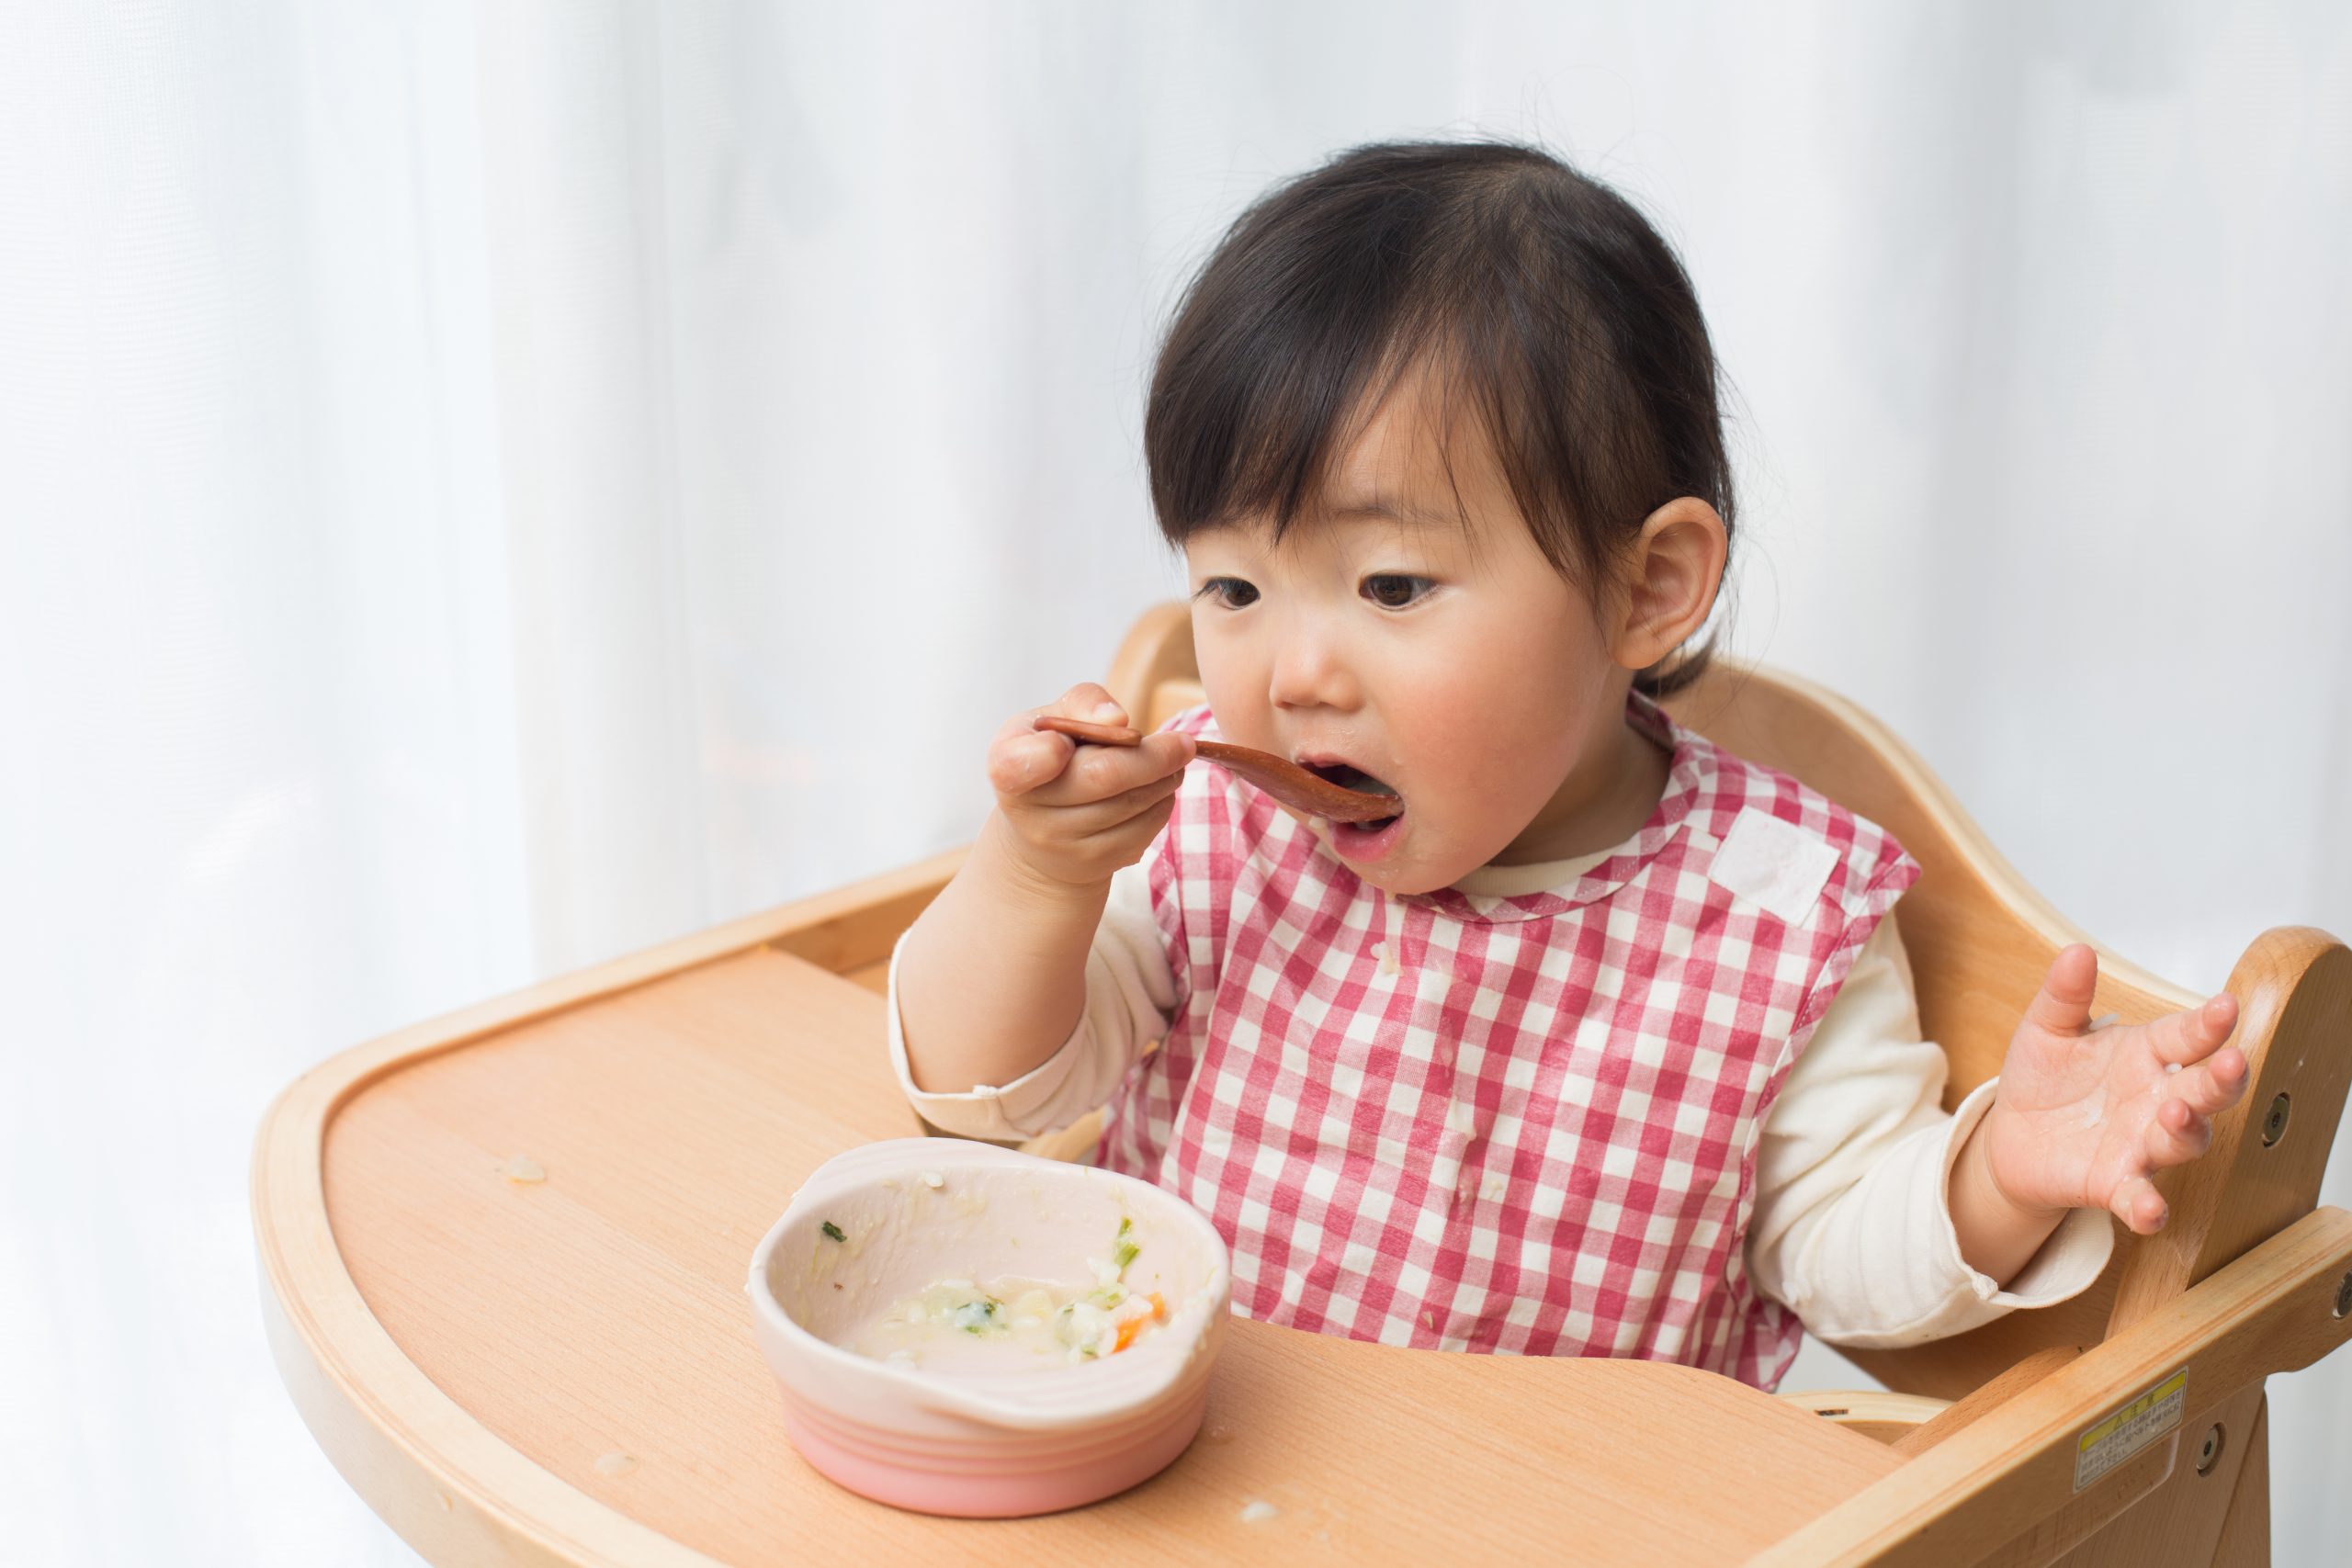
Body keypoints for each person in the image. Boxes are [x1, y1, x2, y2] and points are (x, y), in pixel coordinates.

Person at [887, 139, 2249, 1391]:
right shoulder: (1217, 826)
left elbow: (1842, 1244)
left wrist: (1998, 1176)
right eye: (1235, 587)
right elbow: (989, 1092)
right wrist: (1031, 883)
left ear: (1648, 588)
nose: (1293, 670)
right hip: (1190, 1474)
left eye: (1395, 582)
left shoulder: (1772, 913)